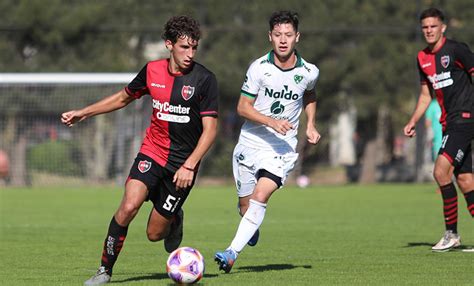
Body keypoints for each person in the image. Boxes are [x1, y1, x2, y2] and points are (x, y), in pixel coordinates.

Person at [61, 15, 218, 285]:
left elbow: (211, 130)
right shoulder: (152, 71)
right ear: (169, 44)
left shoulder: (204, 79)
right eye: (184, 47)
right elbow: (123, 97)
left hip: (182, 165)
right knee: (128, 206)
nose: (190, 54)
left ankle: (174, 218)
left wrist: (190, 165)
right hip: (152, 152)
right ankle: (104, 271)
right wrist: (84, 113)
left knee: (154, 234)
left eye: (194, 48)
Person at [214, 10, 321, 272]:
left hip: (281, 148)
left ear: (297, 36)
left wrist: (311, 125)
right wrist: (271, 121)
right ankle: (249, 225)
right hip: (250, 143)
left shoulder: (309, 71)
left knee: (261, 195)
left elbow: (310, 95)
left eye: (288, 35)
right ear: (269, 37)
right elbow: (242, 107)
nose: (283, 40)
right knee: (245, 206)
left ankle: (231, 253)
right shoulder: (259, 68)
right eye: (277, 35)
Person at [403, 8, 474, 252]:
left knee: (440, 171)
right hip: (449, 122)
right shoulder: (422, 57)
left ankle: (451, 233)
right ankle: (453, 234)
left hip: (464, 119)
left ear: (442, 27)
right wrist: (413, 120)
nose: (429, 30)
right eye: (425, 27)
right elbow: (426, 95)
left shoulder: (456, 50)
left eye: (433, 26)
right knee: (465, 180)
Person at [425, 96, 442, 161]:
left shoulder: (447, 102)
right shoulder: (433, 105)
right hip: (437, 138)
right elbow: (428, 121)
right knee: (438, 159)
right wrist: (430, 133)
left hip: (449, 136)